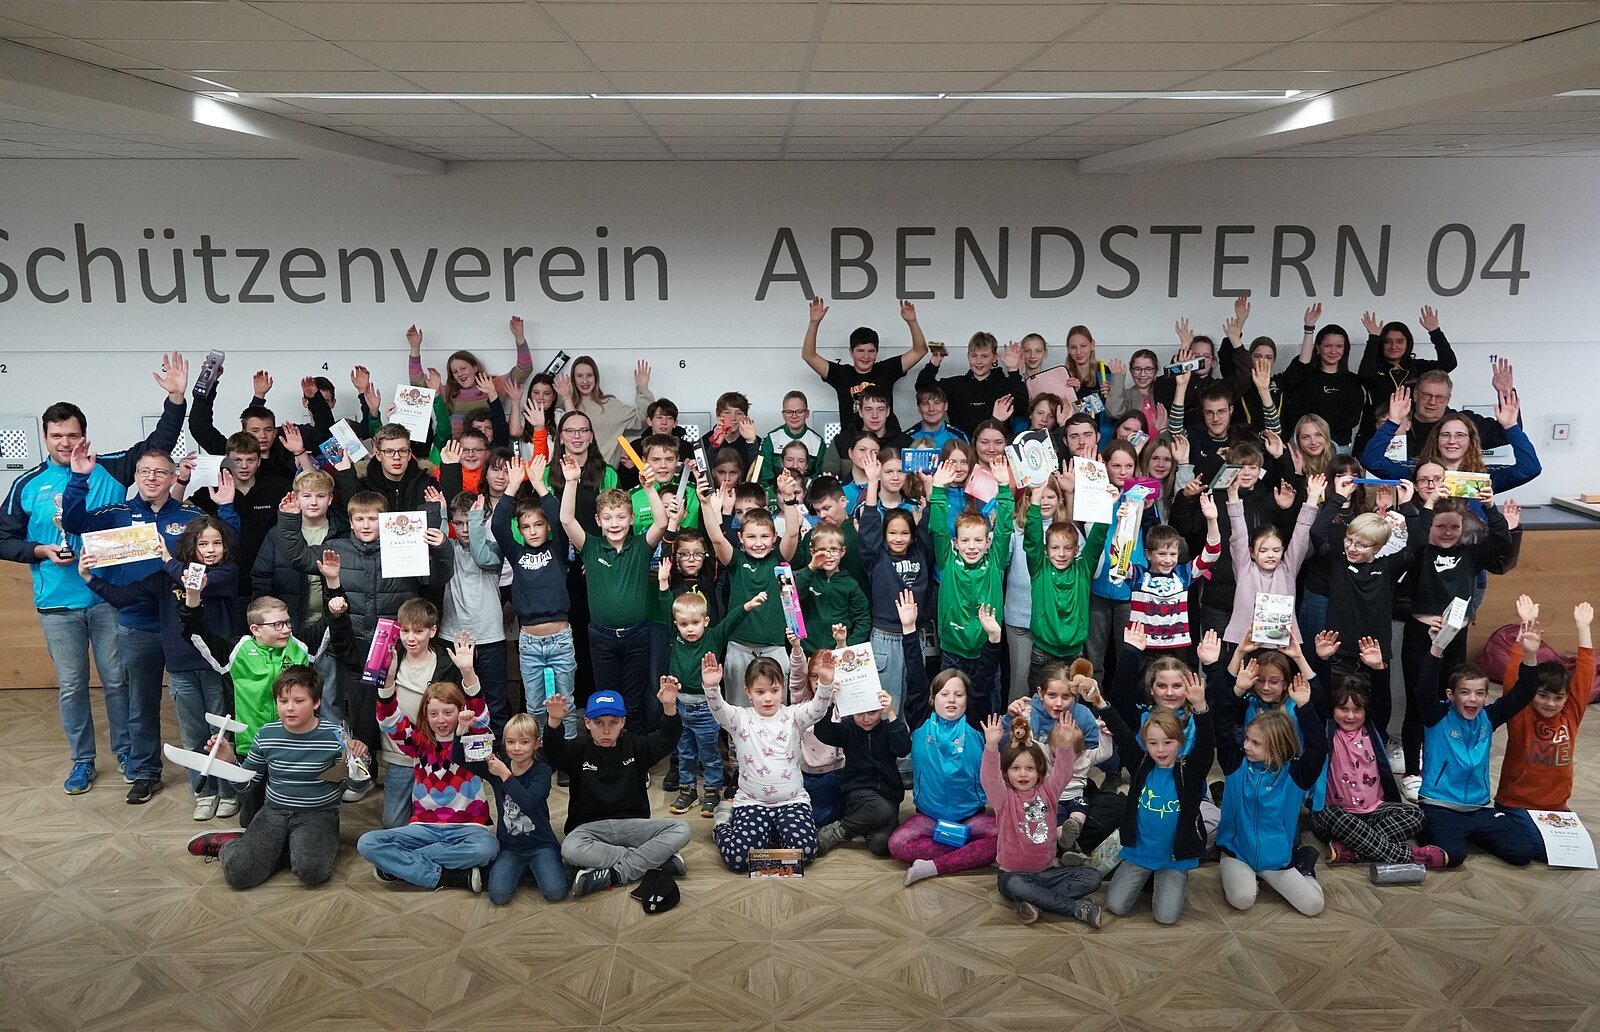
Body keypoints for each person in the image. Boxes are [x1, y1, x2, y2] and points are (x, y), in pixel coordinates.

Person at [0, 353, 187, 793]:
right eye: (57, 436)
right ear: (45, 437)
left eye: (73, 435)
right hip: (57, 604)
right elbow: (3, 538)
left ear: (84, 435)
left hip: (107, 600)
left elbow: (158, 445)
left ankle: (126, 754)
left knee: (117, 682)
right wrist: (40, 550)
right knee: (71, 687)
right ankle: (82, 761)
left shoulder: (111, 466)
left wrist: (176, 399)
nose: (66, 443)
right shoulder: (27, 484)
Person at [62, 443, 239, 805]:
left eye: (160, 472)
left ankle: (219, 781)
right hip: (137, 622)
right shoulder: (116, 512)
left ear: (174, 477)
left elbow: (225, 545)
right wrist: (79, 478)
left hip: (186, 626)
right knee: (140, 703)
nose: (151, 478)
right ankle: (145, 772)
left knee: (203, 707)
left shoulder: (190, 514)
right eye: (144, 471)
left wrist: (226, 507)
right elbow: (73, 523)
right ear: (136, 476)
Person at [80, 517, 240, 819]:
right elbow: (124, 598)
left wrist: (166, 559)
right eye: (203, 543)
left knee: (220, 732)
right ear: (190, 545)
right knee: (193, 735)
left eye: (217, 543)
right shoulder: (167, 576)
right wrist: (90, 578)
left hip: (216, 667)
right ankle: (204, 792)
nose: (211, 549)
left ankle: (228, 792)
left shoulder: (226, 572)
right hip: (180, 668)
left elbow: (195, 581)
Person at [278, 487, 453, 755]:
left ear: (385, 521)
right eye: (360, 519)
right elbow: (298, 557)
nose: (366, 525)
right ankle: (363, 766)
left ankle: (407, 761)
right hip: (354, 642)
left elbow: (437, 578)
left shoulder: (404, 545)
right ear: (350, 522)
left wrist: (441, 546)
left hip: (396, 644)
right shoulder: (337, 549)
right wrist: (290, 520)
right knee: (359, 712)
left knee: (399, 705)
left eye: (373, 519)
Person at [183, 666, 350, 889]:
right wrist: (230, 762)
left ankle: (276, 848)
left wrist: (358, 763)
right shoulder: (266, 734)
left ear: (316, 702)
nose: (289, 708)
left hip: (318, 814)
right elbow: (247, 786)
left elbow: (348, 782)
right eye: (283, 701)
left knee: (313, 872)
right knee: (239, 875)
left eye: (299, 701)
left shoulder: (335, 736)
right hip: (274, 812)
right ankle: (231, 845)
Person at [358, 643, 499, 892]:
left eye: (448, 712)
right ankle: (448, 877)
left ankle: (400, 866)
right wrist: (388, 682)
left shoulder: (471, 740)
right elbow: (389, 721)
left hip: (469, 829)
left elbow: (481, 717)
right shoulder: (418, 741)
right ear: (425, 714)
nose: (441, 720)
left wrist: (468, 673)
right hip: (423, 828)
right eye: (433, 714)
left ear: (460, 711)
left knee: (487, 849)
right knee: (367, 843)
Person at [1412, 617, 1543, 868]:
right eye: (1465, 692)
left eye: (1479, 693)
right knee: (1454, 855)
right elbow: (1423, 689)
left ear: (1485, 696)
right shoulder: (1437, 716)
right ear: (1451, 695)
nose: (1473, 699)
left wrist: (1530, 655)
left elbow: (1523, 693)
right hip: (1440, 806)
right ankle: (1432, 828)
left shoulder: (1488, 718)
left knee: (1522, 853)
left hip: (1480, 808)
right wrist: (1437, 647)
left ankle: (1469, 834)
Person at [545, 686, 691, 898]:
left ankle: (616, 874)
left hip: (633, 826)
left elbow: (668, 737)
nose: (606, 731)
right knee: (570, 849)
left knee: (681, 828)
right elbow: (553, 750)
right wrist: (554, 721)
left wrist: (669, 706)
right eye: (599, 723)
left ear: (623, 722)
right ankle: (655, 860)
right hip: (590, 830)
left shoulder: (636, 746)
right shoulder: (578, 750)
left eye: (613, 723)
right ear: (587, 723)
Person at [703, 650, 837, 871]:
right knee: (738, 860)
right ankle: (723, 824)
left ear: (782, 689)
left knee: (805, 852)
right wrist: (711, 688)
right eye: (760, 691)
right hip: (752, 802)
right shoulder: (739, 718)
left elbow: (818, 709)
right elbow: (719, 709)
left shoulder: (793, 716)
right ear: (748, 691)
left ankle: (769, 836)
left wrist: (826, 683)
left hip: (792, 802)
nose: (768, 698)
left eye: (774, 691)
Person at [559, 452, 666, 729]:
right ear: (598, 520)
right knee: (607, 700)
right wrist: (571, 482)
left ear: (631, 519)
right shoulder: (591, 546)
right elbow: (567, 521)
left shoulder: (641, 546)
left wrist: (649, 488)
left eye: (621, 517)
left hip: (637, 635)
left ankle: (633, 751)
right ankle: (608, 747)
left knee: (634, 703)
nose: (615, 523)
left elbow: (662, 523)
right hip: (601, 637)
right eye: (608, 518)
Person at [1100, 672, 1213, 925]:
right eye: (1153, 743)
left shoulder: (1190, 771)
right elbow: (1121, 732)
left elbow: (1207, 743)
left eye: (1167, 742)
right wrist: (1100, 703)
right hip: (1139, 852)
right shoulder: (1141, 764)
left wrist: (1200, 707)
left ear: (1179, 742)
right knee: (1115, 906)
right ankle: (1147, 878)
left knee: (1166, 917)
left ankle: (1166, 881)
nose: (1160, 750)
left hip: (1174, 858)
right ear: (1145, 744)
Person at [1306, 667, 1445, 868]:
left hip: (1373, 812)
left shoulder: (1373, 729)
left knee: (1416, 815)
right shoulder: (1326, 732)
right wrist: (1322, 662)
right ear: (1332, 709)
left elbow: (1381, 700)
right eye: (1343, 709)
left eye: (1357, 709)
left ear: (1366, 710)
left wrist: (1379, 669)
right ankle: (1409, 856)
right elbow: (1318, 700)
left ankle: (1353, 850)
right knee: (1335, 816)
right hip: (1333, 814)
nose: (1350, 716)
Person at [1213, 678, 1328, 916]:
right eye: (1247, 739)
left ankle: (1304, 865)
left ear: (1278, 747)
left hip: (1276, 859)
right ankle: (1247, 877)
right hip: (1238, 852)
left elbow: (1318, 747)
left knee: (1314, 906)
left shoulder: (1295, 775)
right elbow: (1221, 725)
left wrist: (1305, 707)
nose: (1246, 746)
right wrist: (1237, 691)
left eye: (1256, 743)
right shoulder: (1236, 764)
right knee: (1242, 899)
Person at [812, 601, 917, 855]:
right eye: (861, 713)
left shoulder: (887, 727)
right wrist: (828, 701)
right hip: (857, 792)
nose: (867, 719)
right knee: (879, 811)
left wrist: (891, 714)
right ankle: (838, 831)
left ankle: (862, 825)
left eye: (872, 713)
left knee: (881, 846)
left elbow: (903, 748)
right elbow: (822, 732)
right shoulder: (849, 728)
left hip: (889, 795)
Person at [980, 714, 1104, 927]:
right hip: (1013, 875)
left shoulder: (1049, 791)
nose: (1023, 774)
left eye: (1030, 768)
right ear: (1006, 772)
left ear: (1040, 771)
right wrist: (991, 747)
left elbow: (1063, 772)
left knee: (1092, 877)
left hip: (1048, 872)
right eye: (1016, 768)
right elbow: (989, 778)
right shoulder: (1003, 798)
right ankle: (1075, 908)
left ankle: (1036, 901)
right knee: (1017, 885)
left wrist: (1065, 745)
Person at [661, 575, 765, 818]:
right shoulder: (676, 637)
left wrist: (747, 606)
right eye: (683, 624)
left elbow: (730, 621)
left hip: (705, 709)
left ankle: (712, 792)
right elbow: (666, 606)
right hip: (679, 707)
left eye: (695, 623)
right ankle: (687, 791)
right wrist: (664, 585)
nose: (689, 629)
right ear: (676, 624)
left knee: (709, 753)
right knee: (684, 753)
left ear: (706, 621)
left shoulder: (713, 637)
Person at [493, 457, 576, 744]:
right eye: (526, 526)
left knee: (564, 702)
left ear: (547, 527)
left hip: (560, 640)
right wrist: (513, 485)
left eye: (538, 524)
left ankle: (567, 753)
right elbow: (498, 525)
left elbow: (558, 516)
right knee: (535, 705)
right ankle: (538, 753)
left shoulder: (558, 549)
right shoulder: (516, 554)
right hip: (529, 642)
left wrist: (540, 484)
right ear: (520, 530)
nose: (533, 531)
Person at [251, 469, 346, 721]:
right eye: (306, 496)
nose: (313, 502)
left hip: (328, 625)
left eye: (320, 496)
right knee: (291, 696)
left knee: (330, 696)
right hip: (289, 628)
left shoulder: (343, 533)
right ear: (296, 497)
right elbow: (262, 579)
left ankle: (332, 742)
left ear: (330, 499)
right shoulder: (277, 534)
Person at [890, 669, 1000, 884]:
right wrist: (910, 639)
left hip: (971, 818)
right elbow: (915, 677)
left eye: (959, 695)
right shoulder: (921, 720)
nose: (951, 700)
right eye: (944, 694)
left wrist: (994, 644)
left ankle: (932, 867)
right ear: (933, 698)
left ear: (968, 699)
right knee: (897, 844)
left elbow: (984, 677)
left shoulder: (975, 723)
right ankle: (968, 853)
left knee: (1007, 839)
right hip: (929, 818)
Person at [702, 470, 803, 704]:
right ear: (740, 538)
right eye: (751, 537)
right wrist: (706, 504)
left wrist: (789, 498)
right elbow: (716, 538)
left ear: (774, 538)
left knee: (775, 709)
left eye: (764, 537)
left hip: (775, 647)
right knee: (738, 712)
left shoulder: (779, 559)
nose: (758, 543)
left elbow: (792, 533)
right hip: (738, 646)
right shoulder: (736, 561)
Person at [928, 455, 1014, 720]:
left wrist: (1004, 488)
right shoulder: (948, 560)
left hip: (987, 650)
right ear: (955, 542)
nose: (972, 546)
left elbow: (1005, 529)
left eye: (978, 540)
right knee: (950, 710)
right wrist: (938, 489)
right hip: (953, 653)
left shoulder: (995, 561)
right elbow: (938, 529)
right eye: (965, 541)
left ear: (988, 542)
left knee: (989, 712)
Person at [372, 598, 467, 829]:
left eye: (418, 631)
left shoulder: (446, 665)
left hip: (435, 755)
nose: (411, 638)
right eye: (405, 631)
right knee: (393, 822)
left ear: (432, 631)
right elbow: (381, 709)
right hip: (399, 755)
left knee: (437, 817)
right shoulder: (389, 656)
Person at [1496, 598, 1594, 815]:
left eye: (1558, 698)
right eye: (1543, 696)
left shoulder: (1570, 714)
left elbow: (1585, 675)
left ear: (1566, 698)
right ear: (1531, 693)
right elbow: (1512, 675)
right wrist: (1525, 626)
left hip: (1557, 809)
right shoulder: (1520, 712)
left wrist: (1583, 627)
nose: (1551, 703)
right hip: (1513, 804)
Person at [801, 297, 927, 438]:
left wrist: (912, 322)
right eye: (860, 351)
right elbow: (808, 355)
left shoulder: (886, 370)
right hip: (852, 442)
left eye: (871, 351)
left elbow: (920, 350)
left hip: (886, 441)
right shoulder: (841, 374)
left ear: (877, 352)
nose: (866, 356)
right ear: (851, 352)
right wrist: (814, 323)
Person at [476, 714, 565, 905]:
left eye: (524, 742)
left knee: (555, 892)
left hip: (541, 845)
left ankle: (536, 867)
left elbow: (528, 802)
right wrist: (461, 730)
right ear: (504, 743)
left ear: (536, 743)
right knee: (498, 896)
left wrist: (505, 775)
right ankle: (525, 869)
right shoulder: (498, 768)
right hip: (510, 848)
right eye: (511, 742)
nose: (517, 748)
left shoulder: (542, 771)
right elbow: (460, 758)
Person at [442, 491, 509, 734]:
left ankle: (497, 747)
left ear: (482, 521)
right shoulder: (450, 548)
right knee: (454, 700)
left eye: (470, 522)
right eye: (458, 523)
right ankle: (457, 749)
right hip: (453, 636)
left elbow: (481, 558)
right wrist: (441, 515)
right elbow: (438, 550)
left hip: (489, 638)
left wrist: (476, 521)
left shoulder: (495, 548)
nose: (465, 529)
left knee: (495, 700)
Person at [405, 317, 533, 439]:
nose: (460, 373)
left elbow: (524, 370)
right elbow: (418, 388)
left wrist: (519, 337)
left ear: (475, 368)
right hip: (457, 450)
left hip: (487, 449)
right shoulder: (448, 392)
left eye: (463, 368)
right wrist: (414, 348)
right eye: (455, 372)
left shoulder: (493, 385)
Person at [1277, 305, 1366, 451]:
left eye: (1339, 346)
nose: (1333, 351)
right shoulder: (1305, 379)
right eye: (1328, 346)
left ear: (1345, 349)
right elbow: (1302, 366)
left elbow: (1352, 419)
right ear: (1318, 348)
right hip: (1308, 446)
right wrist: (1309, 329)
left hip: (1340, 447)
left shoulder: (1352, 382)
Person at [917, 332, 1029, 438]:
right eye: (974, 356)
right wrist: (934, 363)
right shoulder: (956, 385)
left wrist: (1013, 370)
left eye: (984, 356)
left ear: (995, 357)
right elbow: (923, 388)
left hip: (995, 447)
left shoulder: (1004, 384)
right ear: (968, 356)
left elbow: (1021, 408)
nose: (978, 361)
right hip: (960, 447)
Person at [1357, 305, 1457, 413]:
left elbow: (1449, 364)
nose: (1393, 346)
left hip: (1410, 423)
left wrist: (1435, 332)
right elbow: (1365, 377)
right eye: (1387, 342)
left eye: (1399, 342)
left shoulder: (1417, 367)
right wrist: (1374, 338)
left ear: (1407, 344)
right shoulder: (1373, 368)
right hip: (1377, 423)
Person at [555, 356, 653, 466]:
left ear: (596, 378)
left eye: (589, 375)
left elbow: (643, 418)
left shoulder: (610, 404)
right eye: (579, 376)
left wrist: (643, 388)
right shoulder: (565, 405)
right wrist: (566, 397)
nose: (585, 380)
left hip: (606, 472)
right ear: (573, 379)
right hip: (572, 471)